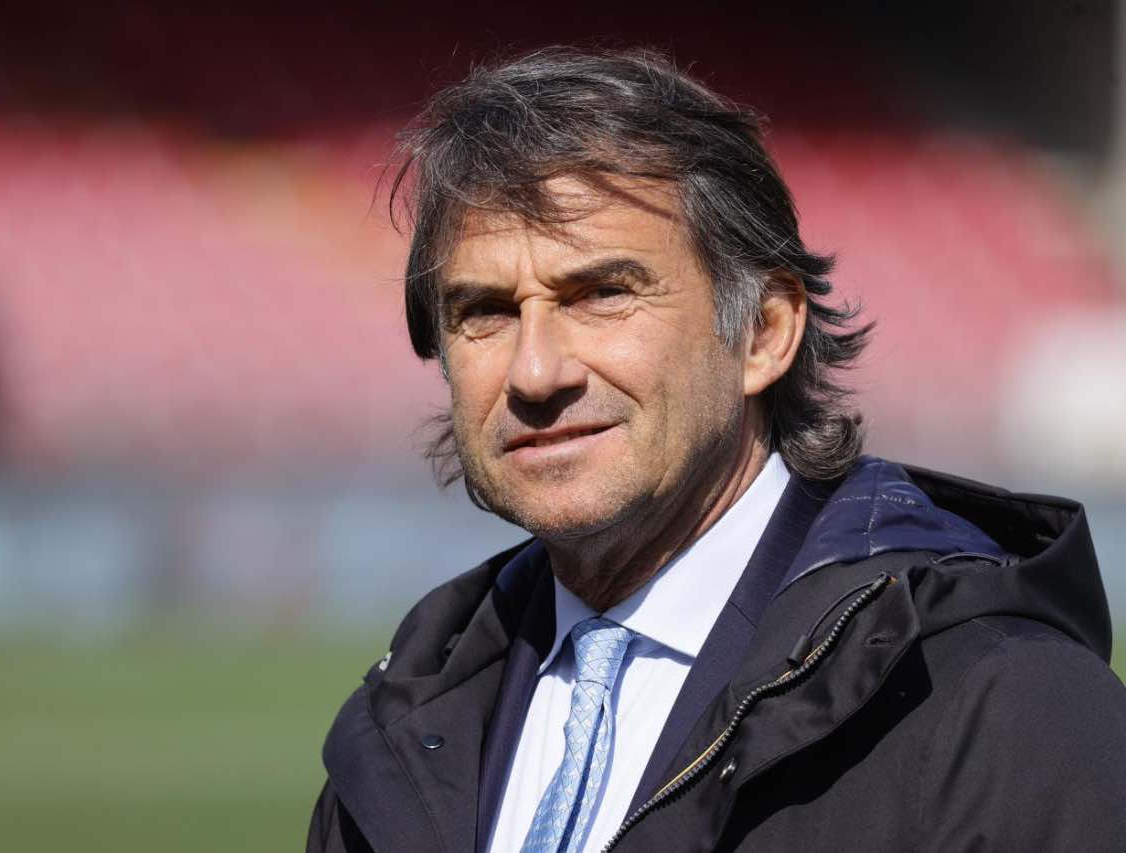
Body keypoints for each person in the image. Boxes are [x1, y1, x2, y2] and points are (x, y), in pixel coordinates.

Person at [308, 47, 1126, 853]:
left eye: (602, 294)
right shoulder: (397, 738)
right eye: (485, 312)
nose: (535, 371)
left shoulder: (1003, 708)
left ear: (763, 334)